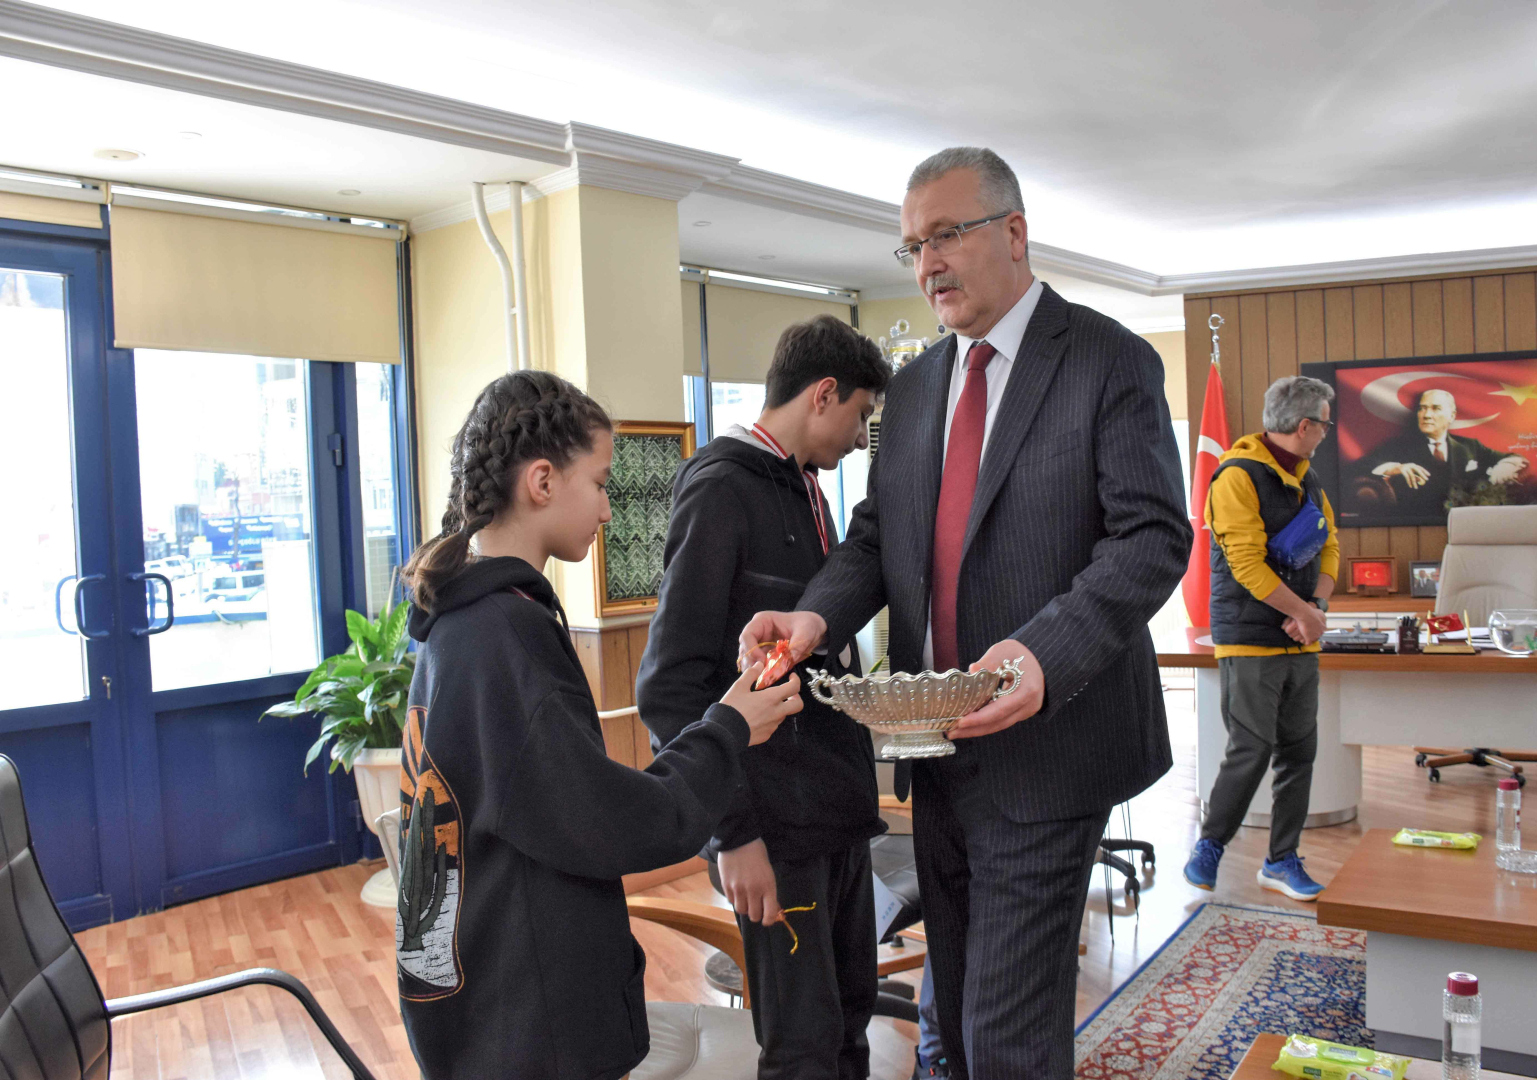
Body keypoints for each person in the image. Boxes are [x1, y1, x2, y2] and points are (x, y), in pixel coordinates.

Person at [740, 147, 1192, 1080]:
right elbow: (875, 538)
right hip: (933, 752)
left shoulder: (1108, 360)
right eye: (912, 246)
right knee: (949, 1018)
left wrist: (1041, 654)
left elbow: (1150, 539)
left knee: (1003, 1036)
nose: (927, 264)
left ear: (1014, 233)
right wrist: (815, 618)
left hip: (1050, 747)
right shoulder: (910, 392)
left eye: (946, 235)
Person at [395, 370, 804, 1080]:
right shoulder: (500, 634)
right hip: (526, 1029)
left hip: (485, 1008)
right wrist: (729, 728)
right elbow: (610, 822)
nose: (609, 509)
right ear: (542, 481)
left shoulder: (466, 624)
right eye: (600, 482)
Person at [637, 314, 890, 1080]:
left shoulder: (804, 487)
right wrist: (734, 837)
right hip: (774, 831)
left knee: (850, 1022)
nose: (861, 439)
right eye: (860, 416)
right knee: (802, 1047)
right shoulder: (721, 489)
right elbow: (670, 686)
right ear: (823, 394)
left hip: (836, 813)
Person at [1183, 375, 1341, 902]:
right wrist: (1304, 613)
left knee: (1300, 752)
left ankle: (1281, 860)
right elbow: (1246, 565)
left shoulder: (1308, 479)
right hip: (1250, 640)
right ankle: (1209, 846)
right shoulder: (1237, 476)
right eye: (1324, 424)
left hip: (1301, 636)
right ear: (1305, 425)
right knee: (1251, 749)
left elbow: (1330, 546)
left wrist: (1314, 610)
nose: (1326, 432)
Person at [1354, 388, 1527, 516]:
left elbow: (1514, 458)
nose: (1426, 415)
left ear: (1452, 416)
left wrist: (1503, 468)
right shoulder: (1399, 446)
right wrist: (1396, 468)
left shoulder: (1470, 446)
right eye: (1422, 408)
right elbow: (1360, 465)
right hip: (1418, 524)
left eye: (1435, 408)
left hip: (1465, 524)